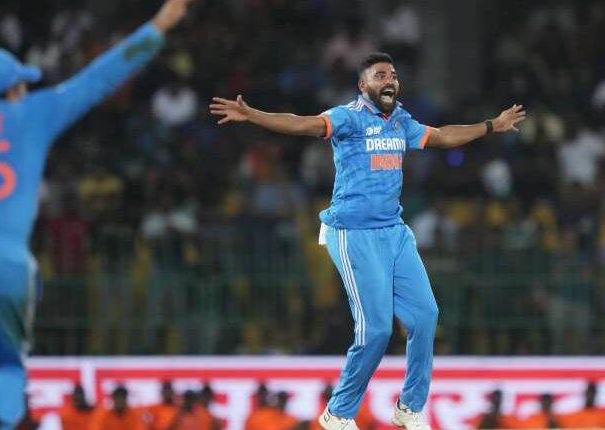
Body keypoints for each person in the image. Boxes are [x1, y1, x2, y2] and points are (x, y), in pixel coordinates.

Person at [210, 52, 525, 430]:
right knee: (376, 330)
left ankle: (409, 407)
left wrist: (492, 125)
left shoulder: (401, 121)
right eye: (380, 75)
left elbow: (443, 136)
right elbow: (301, 124)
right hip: (352, 233)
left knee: (425, 317)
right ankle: (338, 413)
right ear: (363, 86)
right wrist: (253, 115)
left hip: (394, 232)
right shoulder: (349, 117)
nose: (389, 80)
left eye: (393, 75)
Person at [0, 1, 191, 429]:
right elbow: (98, 78)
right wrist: (157, 27)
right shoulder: (30, 112)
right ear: (12, 90)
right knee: (6, 363)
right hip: (2, 257)